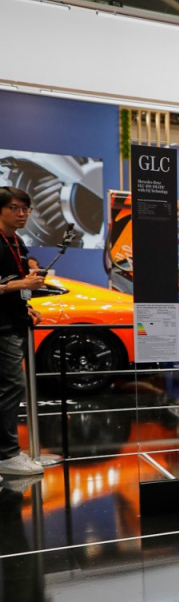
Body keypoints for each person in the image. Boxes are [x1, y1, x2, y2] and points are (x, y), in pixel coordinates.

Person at [0, 188, 46, 476]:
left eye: (25, 209)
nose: (21, 214)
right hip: (2, 327)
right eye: (14, 208)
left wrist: (25, 306)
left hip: (12, 322)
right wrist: (21, 285)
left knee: (11, 386)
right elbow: (12, 284)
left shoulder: (16, 242)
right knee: (12, 386)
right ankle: (6, 455)